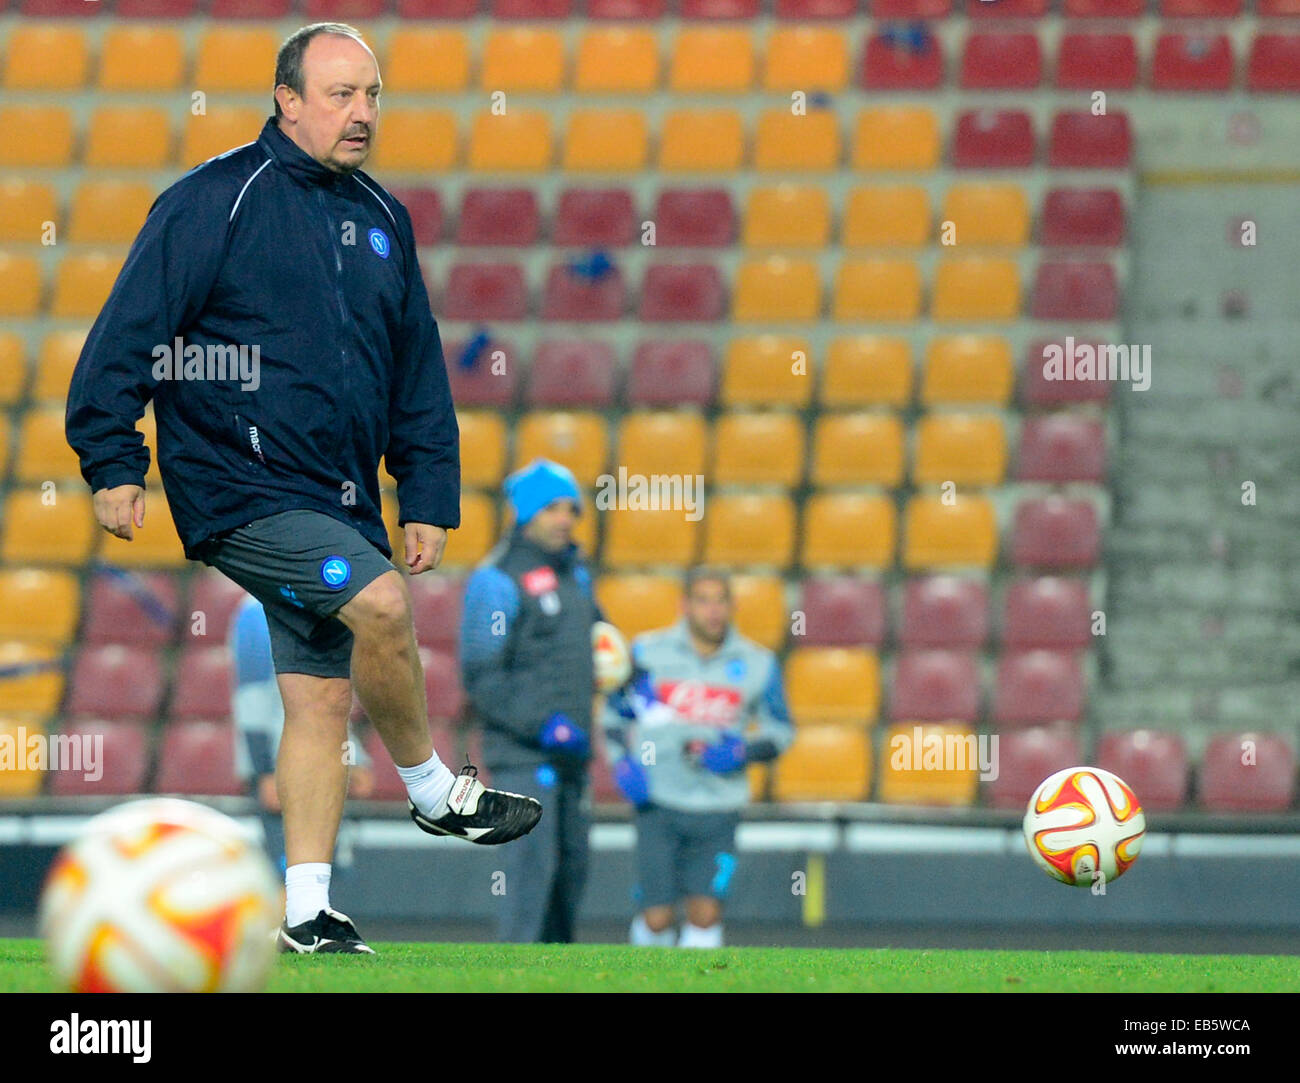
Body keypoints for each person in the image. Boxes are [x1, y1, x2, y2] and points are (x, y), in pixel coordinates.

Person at [65, 23, 541, 956]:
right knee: (379, 605)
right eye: (341, 95)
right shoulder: (214, 200)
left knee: (321, 704)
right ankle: (437, 792)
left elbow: (415, 365)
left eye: (372, 95)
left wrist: (428, 491)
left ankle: (307, 912)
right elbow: (128, 329)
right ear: (286, 99)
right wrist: (113, 459)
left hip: (339, 493)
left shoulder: (382, 217)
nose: (362, 113)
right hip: (237, 485)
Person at [601, 567, 794, 948]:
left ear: (732, 605)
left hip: (719, 806)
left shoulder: (758, 663)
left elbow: (782, 731)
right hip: (658, 800)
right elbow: (613, 715)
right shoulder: (646, 653)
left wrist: (742, 751)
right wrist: (622, 762)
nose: (713, 611)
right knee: (656, 917)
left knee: (705, 913)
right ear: (684, 605)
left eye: (720, 600)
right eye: (703, 600)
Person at [460, 459, 602, 943]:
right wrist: (541, 724)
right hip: (523, 757)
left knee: (571, 876)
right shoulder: (497, 578)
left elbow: (601, 638)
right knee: (529, 879)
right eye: (552, 508)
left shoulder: (576, 574)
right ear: (525, 514)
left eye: (571, 509)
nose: (565, 519)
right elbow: (481, 675)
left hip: (573, 755)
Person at [229, 592, 374, 876]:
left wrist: (355, 758)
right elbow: (251, 700)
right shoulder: (255, 613)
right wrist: (264, 771)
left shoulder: (323, 602)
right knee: (288, 874)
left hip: (325, 766)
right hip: (281, 766)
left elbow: (330, 698)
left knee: (326, 874)